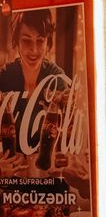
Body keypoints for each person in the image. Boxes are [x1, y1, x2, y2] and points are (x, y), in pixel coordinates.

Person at [0, 9, 71, 154]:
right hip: (10, 167)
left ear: (48, 42)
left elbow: (66, 134)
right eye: (26, 40)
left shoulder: (56, 77)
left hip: (46, 167)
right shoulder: (4, 76)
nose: (34, 50)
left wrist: (67, 105)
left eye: (40, 41)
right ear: (16, 42)